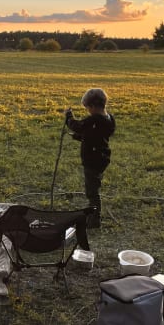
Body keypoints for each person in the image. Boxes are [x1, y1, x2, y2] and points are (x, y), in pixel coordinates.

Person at [65, 88, 116, 227]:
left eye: (87, 108)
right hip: (102, 157)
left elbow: (77, 126)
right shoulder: (109, 119)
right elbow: (95, 135)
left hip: (92, 161)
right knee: (94, 186)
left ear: (93, 106)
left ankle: (94, 219)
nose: (88, 111)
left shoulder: (94, 119)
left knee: (92, 191)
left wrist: (69, 117)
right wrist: (79, 137)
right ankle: (93, 214)